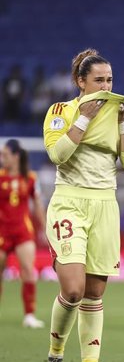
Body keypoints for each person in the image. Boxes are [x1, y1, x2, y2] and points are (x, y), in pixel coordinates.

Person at [42, 48, 124, 362]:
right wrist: (83, 118)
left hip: (104, 205)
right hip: (69, 202)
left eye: (109, 80)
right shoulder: (62, 111)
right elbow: (57, 154)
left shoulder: (116, 114)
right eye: (98, 80)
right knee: (73, 289)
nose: (105, 86)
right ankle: (55, 355)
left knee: (94, 293)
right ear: (79, 82)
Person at [0, 139, 46, 328]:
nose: (2, 159)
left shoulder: (30, 178)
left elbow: (37, 205)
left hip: (22, 232)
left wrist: (43, 228)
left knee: (28, 271)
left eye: (5, 155)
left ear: (16, 156)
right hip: (2, 231)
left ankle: (29, 315)